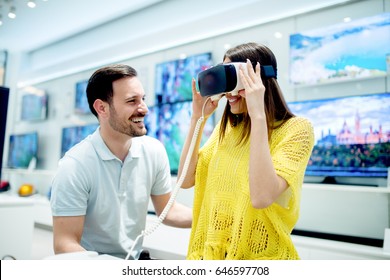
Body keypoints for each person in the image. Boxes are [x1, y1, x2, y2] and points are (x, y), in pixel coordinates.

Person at [178, 42, 314, 260]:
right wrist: (198, 117)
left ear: (259, 80)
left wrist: (258, 115)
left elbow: (261, 197)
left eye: (235, 79)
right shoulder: (228, 130)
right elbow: (185, 180)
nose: (228, 92)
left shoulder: (296, 130)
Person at [50, 64, 192, 260]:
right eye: (132, 101)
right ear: (102, 108)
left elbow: (169, 211)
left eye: (143, 99)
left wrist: (218, 219)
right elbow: (64, 243)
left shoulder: (154, 150)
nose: (144, 109)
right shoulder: (74, 165)